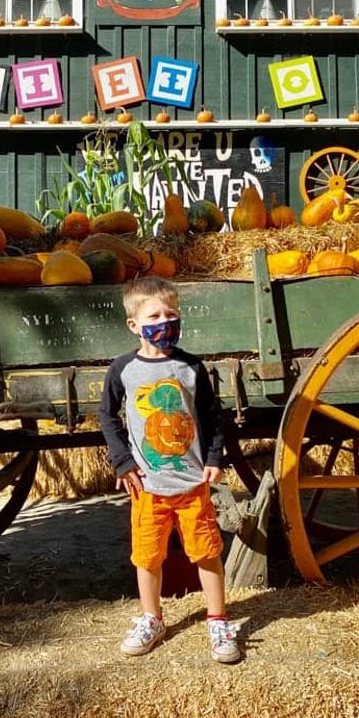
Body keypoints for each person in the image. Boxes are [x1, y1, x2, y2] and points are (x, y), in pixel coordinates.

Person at [99, 276, 240, 663]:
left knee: (207, 551)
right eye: (155, 315)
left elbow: (213, 418)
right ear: (134, 324)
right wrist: (122, 460)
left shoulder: (191, 367)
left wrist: (214, 458)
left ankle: (217, 619)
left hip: (192, 483)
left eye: (172, 314)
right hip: (147, 487)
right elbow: (107, 417)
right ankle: (152, 618)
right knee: (147, 556)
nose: (165, 322)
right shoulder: (123, 369)